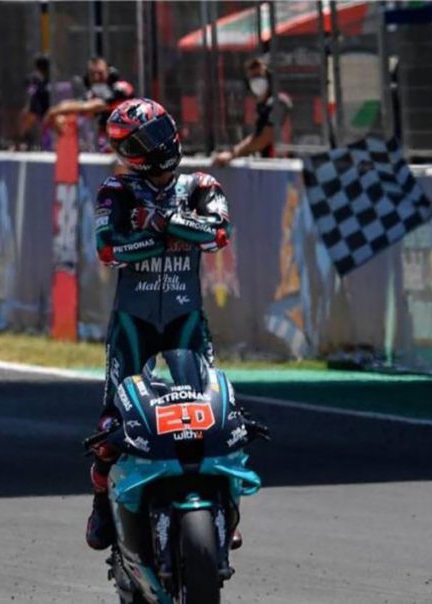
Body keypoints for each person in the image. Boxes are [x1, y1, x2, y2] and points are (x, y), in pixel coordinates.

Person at [85, 98, 235, 551]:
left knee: (215, 414)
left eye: (159, 131)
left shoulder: (202, 184)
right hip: (133, 322)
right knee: (113, 422)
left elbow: (218, 234)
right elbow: (109, 249)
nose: (159, 144)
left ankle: (226, 507)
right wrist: (170, 234)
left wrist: (160, 221)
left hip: (185, 317)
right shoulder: (116, 190)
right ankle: (100, 503)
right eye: (144, 140)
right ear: (128, 152)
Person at [213, 56, 292, 167]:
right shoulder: (263, 106)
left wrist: (233, 154)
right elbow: (256, 137)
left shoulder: (279, 102)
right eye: (253, 77)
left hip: (287, 166)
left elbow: (264, 138)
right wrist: (234, 152)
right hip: (272, 165)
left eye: (259, 75)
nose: (256, 81)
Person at [43, 56, 134, 151]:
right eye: (92, 74)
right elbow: (76, 104)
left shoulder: (122, 88)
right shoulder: (91, 95)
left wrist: (56, 110)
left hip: (128, 142)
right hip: (105, 144)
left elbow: (97, 105)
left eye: (100, 73)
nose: (96, 78)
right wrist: (58, 115)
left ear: (110, 73)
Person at [18, 54, 51, 149]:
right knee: (28, 122)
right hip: (35, 106)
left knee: (44, 127)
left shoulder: (49, 79)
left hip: (45, 107)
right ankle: (24, 141)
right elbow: (31, 93)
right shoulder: (33, 79)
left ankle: (42, 143)